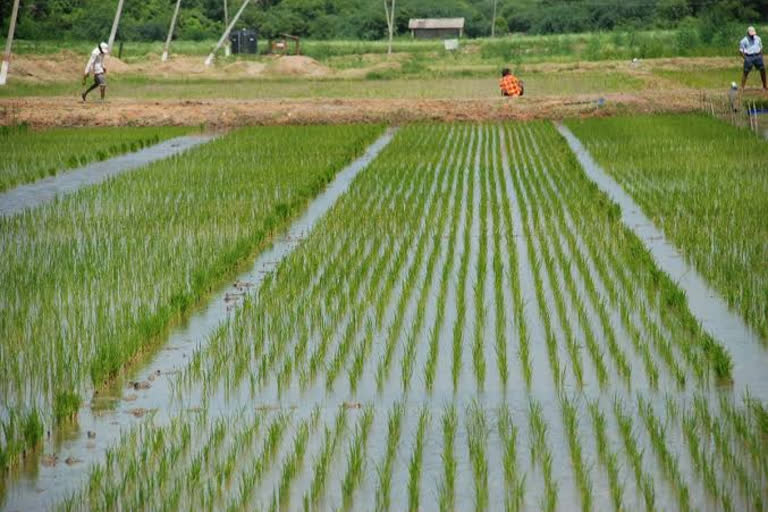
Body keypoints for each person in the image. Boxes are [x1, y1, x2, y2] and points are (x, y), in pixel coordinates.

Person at [739, 26, 767, 91]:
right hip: (749, 57)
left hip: (758, 56)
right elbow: (741, 51)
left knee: (762, 70)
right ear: (747, 33)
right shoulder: (743, 41)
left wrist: (761, 55)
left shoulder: (758, 38)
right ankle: (742, 88)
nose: (752, 35)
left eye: (753, 34)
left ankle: (765, 86)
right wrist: (745, 58)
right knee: (745, 72)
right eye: (751, 34)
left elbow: (761, 47)